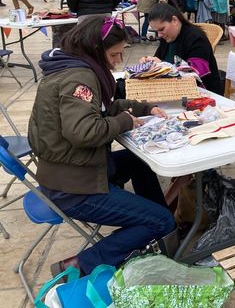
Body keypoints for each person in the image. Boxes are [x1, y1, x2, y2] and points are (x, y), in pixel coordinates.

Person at [28, 15, 176, 276]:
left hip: (73, 169)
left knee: (139, 161)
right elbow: (85, 131)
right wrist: (123, 122)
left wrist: (144, 108)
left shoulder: (72, 65)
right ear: (96, 49)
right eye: (115, 54)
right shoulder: (79, 78)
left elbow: (103, 107)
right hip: (74, 186)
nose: (118, 60)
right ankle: (80, 265)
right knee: (161, 221)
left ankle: (158, 225)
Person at [142, 0, 223, 94]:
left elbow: (193, 75)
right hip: (176, 91)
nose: (159, 35)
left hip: (205, 94)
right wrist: (149, 63)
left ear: (174, 20)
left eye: (162, 29)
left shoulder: (197, 39)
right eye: (157, 31)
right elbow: (158, 59)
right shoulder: (167, 37)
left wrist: (162, 65)